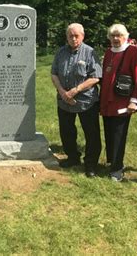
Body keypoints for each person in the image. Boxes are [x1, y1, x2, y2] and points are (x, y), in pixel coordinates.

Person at [51, 23, 102, 177]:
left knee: (91, 134)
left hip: (86, 101)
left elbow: (95, 77)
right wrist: (62, 91)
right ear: (66, 37)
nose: (73, 38)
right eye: (70, 36)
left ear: (82, 36)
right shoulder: (60, 53)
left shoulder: (90, 53)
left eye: (76, 36)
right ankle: (72, 157)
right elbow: (54, 73)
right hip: (64, 101)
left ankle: (91, 164)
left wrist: (75, 91)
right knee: (67, 131)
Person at [100, 24, 137, 181]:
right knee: (109, 132)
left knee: (119, 134)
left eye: (119, 35)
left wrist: (135, 101)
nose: (116, 39)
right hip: (106, 101)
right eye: (113, 36)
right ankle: (111, 161)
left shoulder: (132, 52)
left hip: (122, 102)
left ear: (126, 36)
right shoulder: (108, 52)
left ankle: (117, 168)